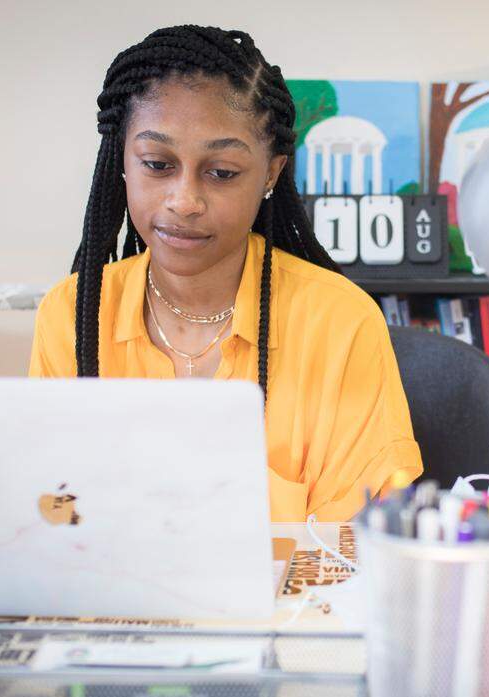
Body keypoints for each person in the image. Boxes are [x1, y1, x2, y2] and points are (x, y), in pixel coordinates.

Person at [29, 25, 422, 522]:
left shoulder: (340, 321)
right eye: (157, 163)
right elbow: (52, 515)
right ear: (122, 162)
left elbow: (355, 544)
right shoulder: (72, 314)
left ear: (271, 174)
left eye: (221, 172)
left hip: (292, 601)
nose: (185, 201)